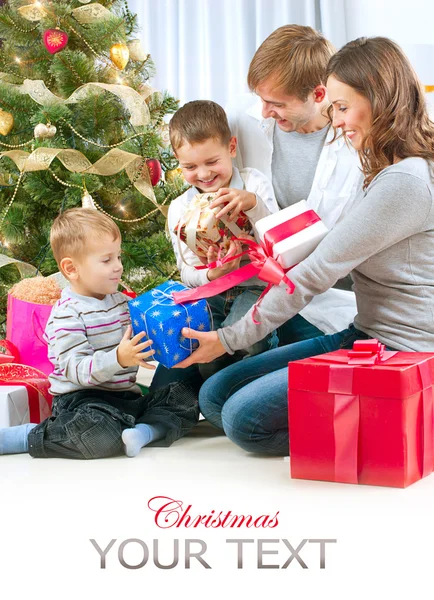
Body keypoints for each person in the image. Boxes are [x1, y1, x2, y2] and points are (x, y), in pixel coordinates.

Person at [175, 36, 434, 456]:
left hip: (400, 349)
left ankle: (405, 420)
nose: (337, 120)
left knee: (244, 422)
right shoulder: (385, 165)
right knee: (216, 395)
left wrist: (226, 339)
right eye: (334, 108)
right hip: (364, 332)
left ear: (382, 99)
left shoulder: (404, 181)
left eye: (344, 108)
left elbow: (316, 272)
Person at [0, 208, 200, 459]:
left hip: (127, 398)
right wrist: (119, 358)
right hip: (83, 402)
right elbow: (77, 370)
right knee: (96, 432)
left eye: (118, 257)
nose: (118, 267)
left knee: (184, 398)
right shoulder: (67, 313)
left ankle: (143, 432)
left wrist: (161, 339)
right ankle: (28, 436)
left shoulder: (121, 303)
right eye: (107, 260)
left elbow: (137, 349)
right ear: (71, 268)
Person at [226, 24, 364, 342]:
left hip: (325, 303)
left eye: (277, 103)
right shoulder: (243, 121)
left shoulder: (358, 147)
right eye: (260, 98)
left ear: (318, 95)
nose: (264, 111)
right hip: (253, 288)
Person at [150, 99, 279, 390]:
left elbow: (279, 241)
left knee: (245, 343)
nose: (204, 174)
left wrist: (253, 205)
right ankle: (217, 395)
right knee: (202, 356)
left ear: (231, 148)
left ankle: (252, 381)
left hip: (255, 287)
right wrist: (212, 274)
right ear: (176, 160)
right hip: (211, 293)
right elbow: (186, 272)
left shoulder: (252, 183)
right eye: (190, 166)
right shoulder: (179, 208)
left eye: (212, 162)